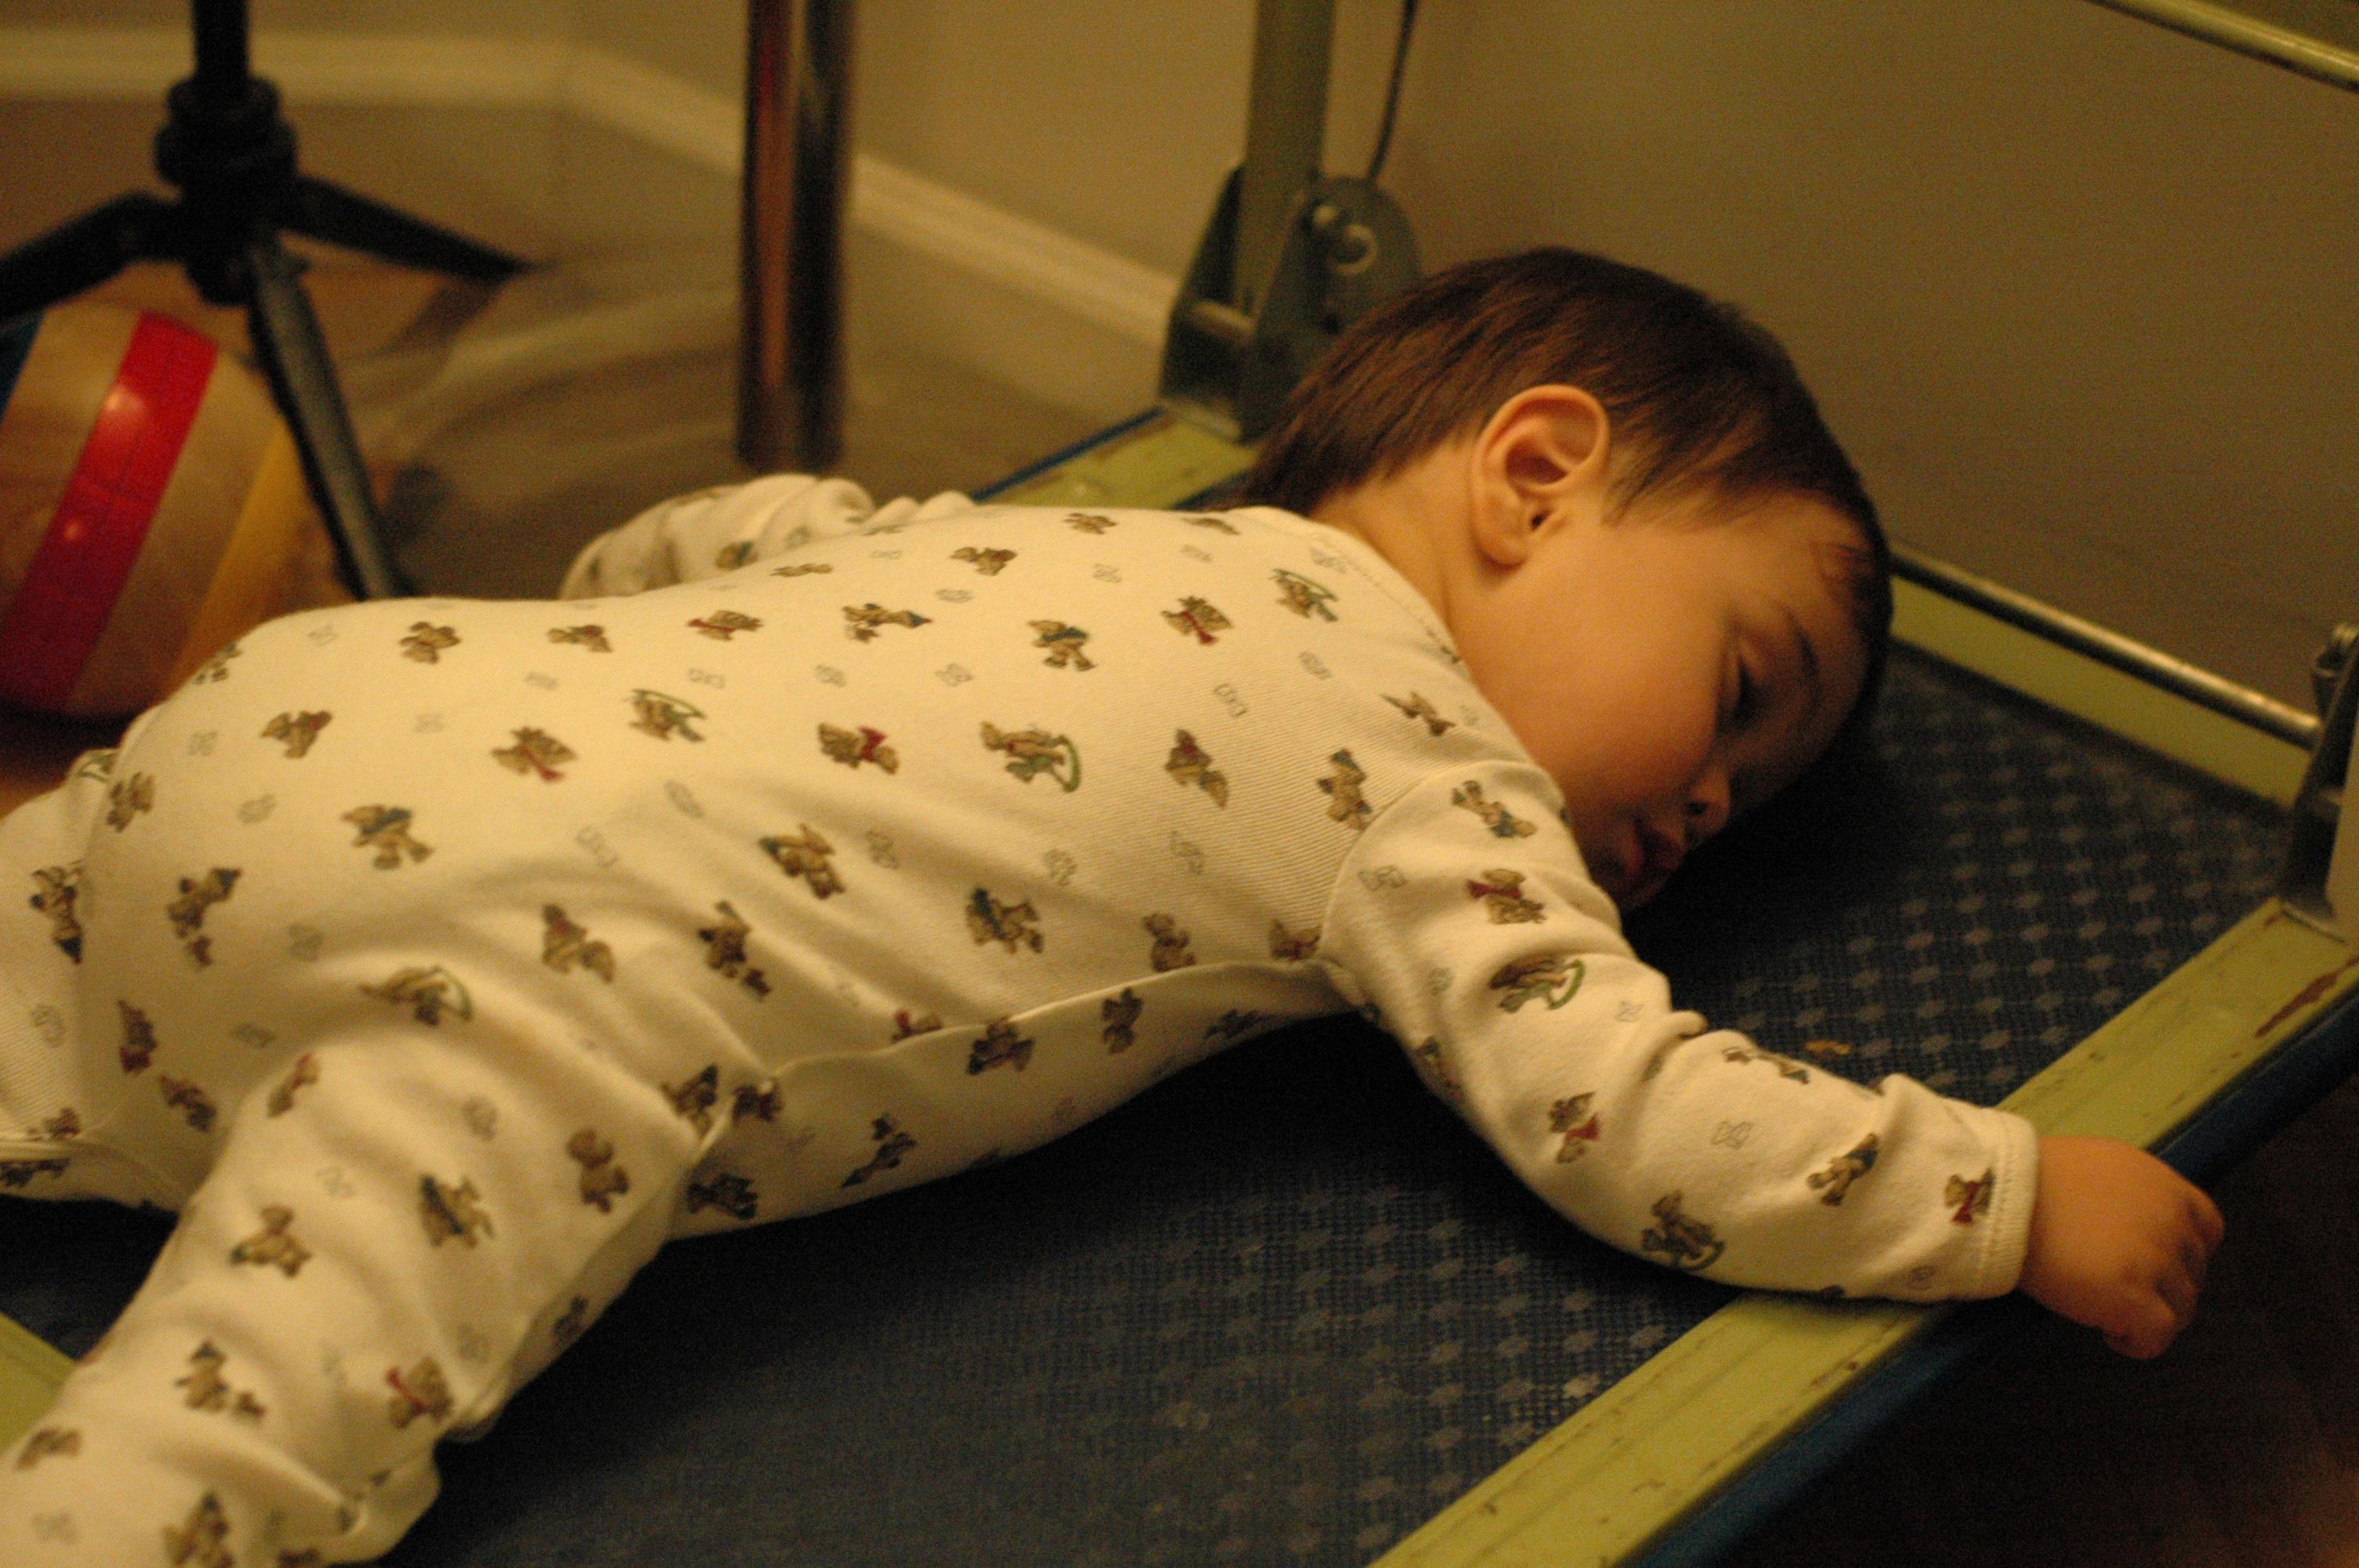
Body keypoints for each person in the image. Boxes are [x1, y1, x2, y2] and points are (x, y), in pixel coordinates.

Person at [0, 249, 2219, 1563]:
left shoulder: (1091, 540)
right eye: (1743, 693)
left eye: (1749, 801)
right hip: (533, 970)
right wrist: (2007, 1196)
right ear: (1538, 479)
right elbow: (1628, 1110)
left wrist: (598, 621)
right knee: (250, 1420)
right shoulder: (1423, 778)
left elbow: (748, 536)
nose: (1714, 805)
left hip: (324, 710)